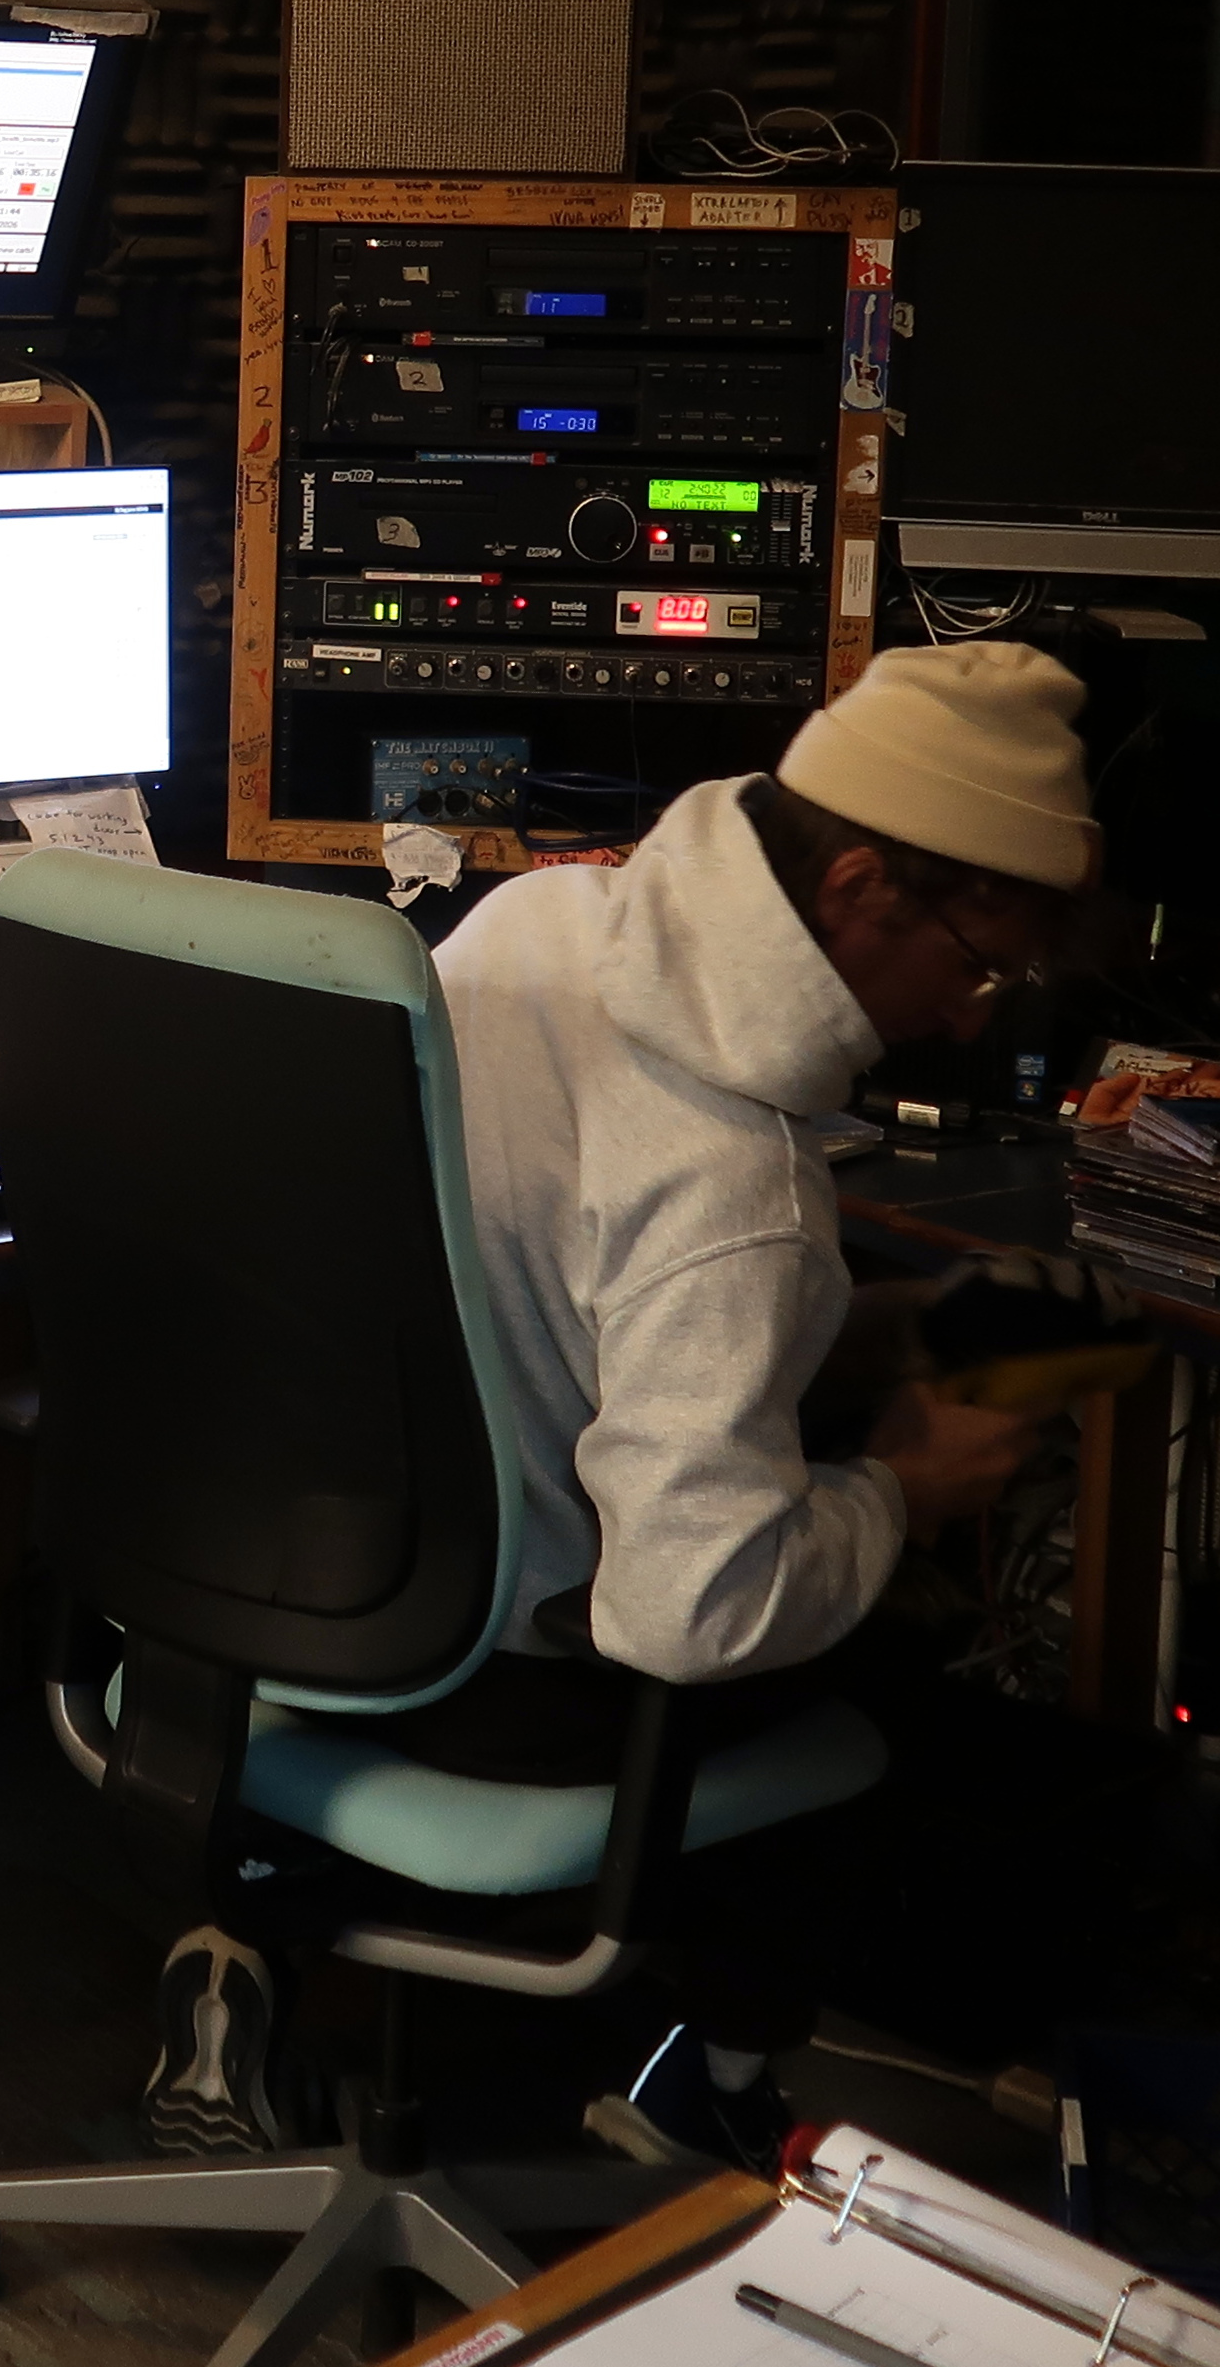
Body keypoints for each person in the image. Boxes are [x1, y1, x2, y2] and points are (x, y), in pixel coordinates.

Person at [135, 642, 1132, 2174]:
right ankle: (707, 2085)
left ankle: (256, 1912)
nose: (966, 1019)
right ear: (858, 885)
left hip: (256, 1584)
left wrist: (871, 1337)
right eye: (976, 963)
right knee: (894, 1639)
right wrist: (905, 1491)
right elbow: (693, 1615)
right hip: (472, 1673)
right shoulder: (735, 1185)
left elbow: (543, 1299)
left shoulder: (540, 922)